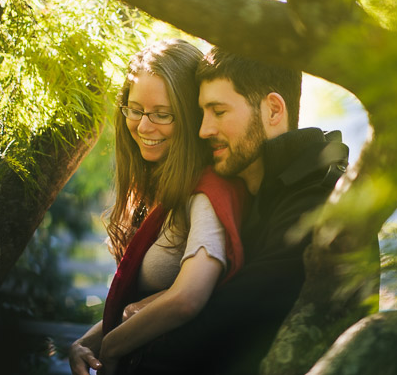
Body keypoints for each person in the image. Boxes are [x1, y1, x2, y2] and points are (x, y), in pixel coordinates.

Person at [120, 47, 351, 374]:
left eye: (218, 111)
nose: (203, 130)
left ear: (273, 110)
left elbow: (229, 321)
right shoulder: (257, 192)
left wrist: (117, 348)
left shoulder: (315, 201)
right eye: (202, 113)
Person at [68, 40, 249, 375]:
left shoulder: (206, 194)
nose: (144, 126)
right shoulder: (155, 185)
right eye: (134, 110)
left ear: (191, 115)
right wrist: (86, 343)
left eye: (162, 114)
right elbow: (133, 304)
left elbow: (187, 298)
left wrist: (110, 348)